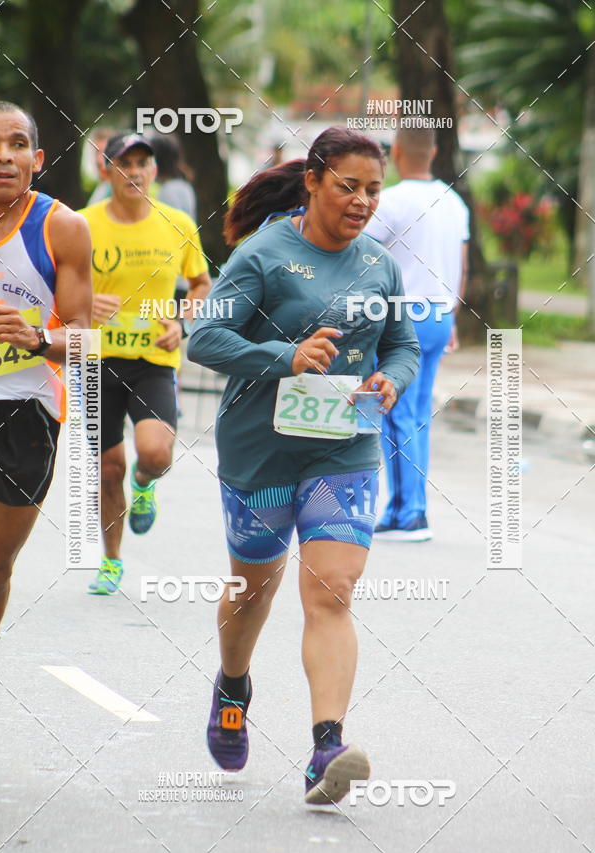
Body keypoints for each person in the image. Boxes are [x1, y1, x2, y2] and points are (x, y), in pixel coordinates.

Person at [188, 127, 420, 805]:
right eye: (348, 186)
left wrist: (394, 380)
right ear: (314, 181)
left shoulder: (381, 265)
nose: (362, 201)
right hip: (260, 447)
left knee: (331, 591)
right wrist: (283, 358)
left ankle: (327, 747)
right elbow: (206, 336)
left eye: (374, 189)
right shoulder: (264, 255)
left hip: (344, 444)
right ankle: (233, 683)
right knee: (254, 590)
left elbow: (402, 344)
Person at [79, 131, 211, 596]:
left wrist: (183, 322)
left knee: (154, 454)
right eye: (124, 163)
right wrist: (86, 303)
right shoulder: (80, 224)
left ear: (155, 171)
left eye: (143, 164)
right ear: (106, 169)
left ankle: (145, 484)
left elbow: (199, 284)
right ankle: (111, 560)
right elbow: (57, 285)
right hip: (96, 360)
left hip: (154, 359)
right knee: (108, 466)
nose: (134, 172)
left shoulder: (177, 223)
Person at [0, 100, 92, 634]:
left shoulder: (63, 227)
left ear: (38, 157)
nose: (3, 157)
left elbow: (84, 340)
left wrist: (36, 339)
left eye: (15, 145)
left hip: (25, 411)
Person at [365, 126, 469, 541]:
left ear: (396, 152)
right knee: (418, 413)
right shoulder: (454, 201)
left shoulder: (390, 201)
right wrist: (453, 315)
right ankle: (408, 508)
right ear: (435, 151)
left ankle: (409, 514)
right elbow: (462, 265)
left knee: (395, 413)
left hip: (401, 316)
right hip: (440, 315)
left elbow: (363, 257)